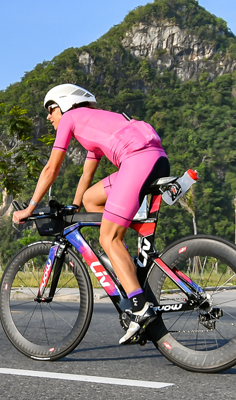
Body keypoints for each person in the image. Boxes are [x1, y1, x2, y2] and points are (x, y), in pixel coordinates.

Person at [12, 83, 170, 344]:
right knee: (90, 199)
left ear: (65, 104)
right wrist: (75, 206)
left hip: (138, 160)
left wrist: (30, 207)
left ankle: (140, 308)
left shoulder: (71, 118)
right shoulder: (93, 124)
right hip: (155, 159)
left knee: (109, 238)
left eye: (51, 109)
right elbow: (87, 176)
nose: (49, 117)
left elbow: (51, 168)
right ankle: (125, 265)